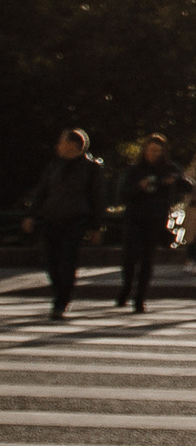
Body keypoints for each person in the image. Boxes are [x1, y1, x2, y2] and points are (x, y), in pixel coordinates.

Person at [23, 128, 106, 321]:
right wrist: (31, 215)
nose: (57, 146)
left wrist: (96, 226)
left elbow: (98, 198)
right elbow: (41, 192)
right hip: (52, 218)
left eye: (61, 142)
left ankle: (61, 301)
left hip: (76, 220)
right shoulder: (54, 166)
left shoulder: (90, 168)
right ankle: (59, 292)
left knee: (67, 260)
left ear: (73, 145)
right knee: (50, 261)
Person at [116, 134, 189, 312]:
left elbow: (188, 186)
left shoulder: (169, 168)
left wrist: (175, 179)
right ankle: (126, 288)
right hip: (134, 217)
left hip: (156, 218)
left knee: (147, 259)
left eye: (157, 151)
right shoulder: (134, 169)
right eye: (150, 150)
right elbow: (122, 194)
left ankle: (139, 298)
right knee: (130, 257)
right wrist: (139, 186)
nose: (153, 154)